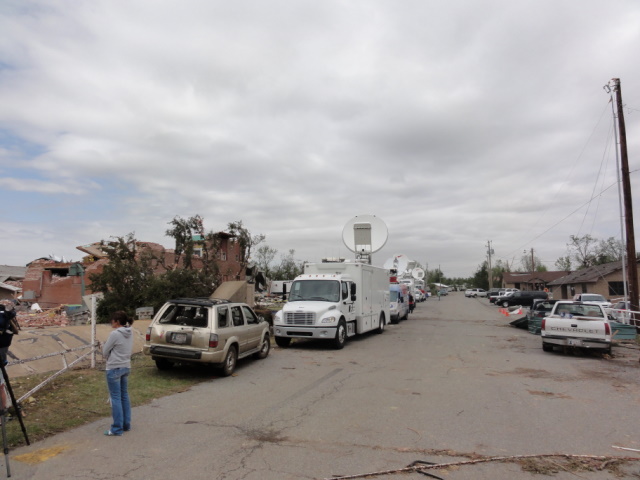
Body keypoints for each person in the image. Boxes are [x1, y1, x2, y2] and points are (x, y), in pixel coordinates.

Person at [102, 311, 134, 436]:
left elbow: (105, 351)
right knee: (124, 396)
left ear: (116, 321)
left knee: (115, 398)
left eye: (112, 320)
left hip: (114, 367)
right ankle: (126, 424)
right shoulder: (130, 332)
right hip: (125, 366)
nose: (111, 322)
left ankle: (117, 428)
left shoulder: (114, 334)